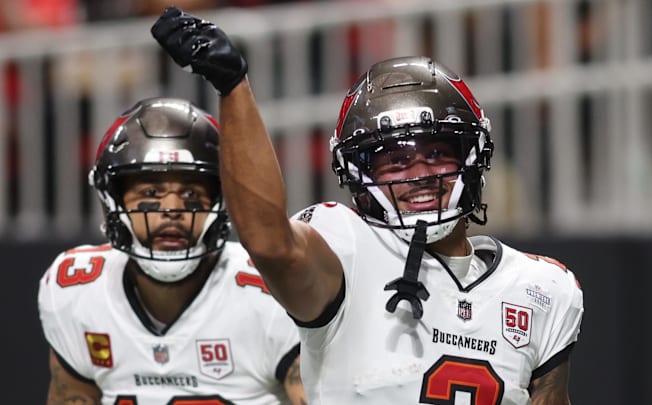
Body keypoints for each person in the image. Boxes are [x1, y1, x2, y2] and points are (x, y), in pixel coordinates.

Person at [151, 7, 584, 404]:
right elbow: (269, 243)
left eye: (437, 153)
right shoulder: (347, 248)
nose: (418, 173)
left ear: (474, 156)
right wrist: (234, 88)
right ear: (360, 175)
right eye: (395, 161)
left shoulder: (542, 289)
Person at [38, 96, 307, 405]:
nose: (172, 209)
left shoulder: (266, 292)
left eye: (191, 193)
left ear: (221, 201)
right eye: (151, 192)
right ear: (113, 200)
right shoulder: (78, 290)